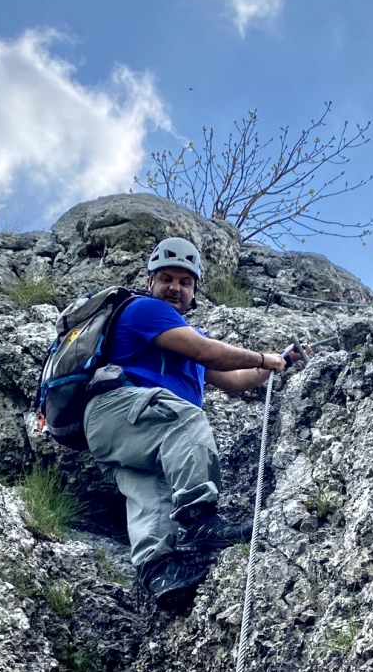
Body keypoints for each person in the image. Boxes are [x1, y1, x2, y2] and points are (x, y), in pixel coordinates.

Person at [83, 236, 289, 606]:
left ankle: (159, 571)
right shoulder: (145, 310)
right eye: (166, 279)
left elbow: (235, 381)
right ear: (150, 282)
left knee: (151, 489)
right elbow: (205, 351)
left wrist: (277, 364)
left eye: (185, 282)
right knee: (184, 419)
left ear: (194, 292)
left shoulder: (183, 342)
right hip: (119, 407)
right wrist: (262, 356)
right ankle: (199, 521)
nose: (175, 288)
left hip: (126, 432)